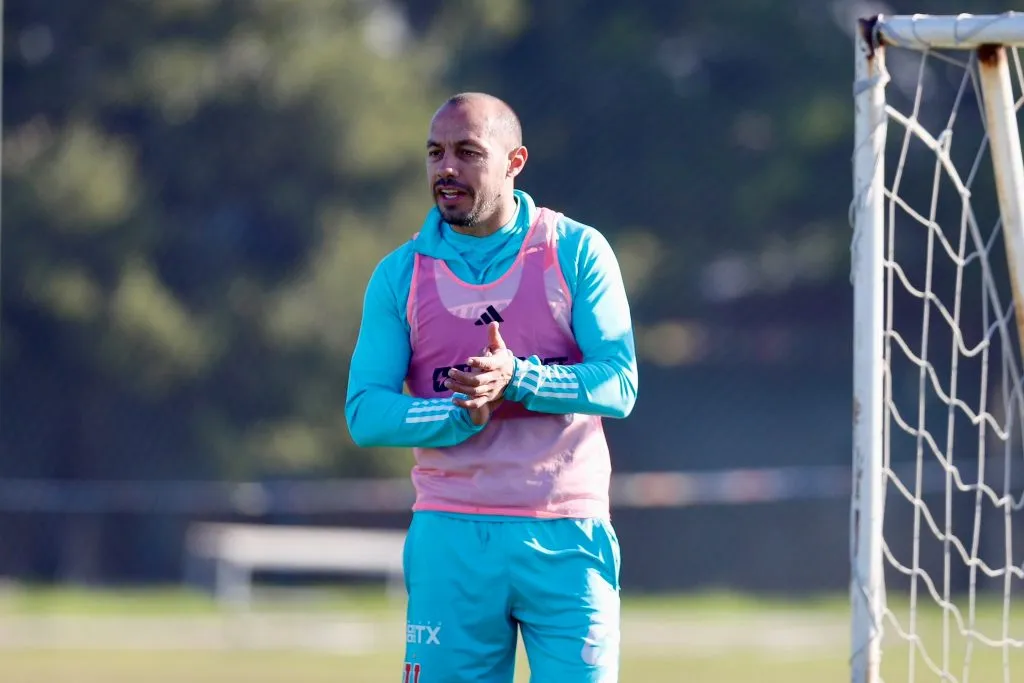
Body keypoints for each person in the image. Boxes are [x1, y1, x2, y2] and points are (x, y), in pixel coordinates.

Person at [345, 91, 638, 683]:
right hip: (451, 537)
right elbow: (365, 411)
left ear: (515, 162)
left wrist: (520, 378)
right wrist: (459, 415)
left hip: (567, 533)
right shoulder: (400, 274)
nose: (446, 169)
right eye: (435, 153)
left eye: (467, 153)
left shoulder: (576, 251)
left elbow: (619, 383)